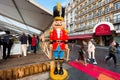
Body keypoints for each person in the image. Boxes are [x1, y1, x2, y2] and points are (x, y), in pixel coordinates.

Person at [50, 2, 68, 75]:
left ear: (63, 22)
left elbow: (66, 38)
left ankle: (60, 68)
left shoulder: (64, 31)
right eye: (56, 21)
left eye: (60, 21)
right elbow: (51, 38)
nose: (58, 23)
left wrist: (66, 44)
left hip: (62, 45)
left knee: (61, 58)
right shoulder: (52, 31)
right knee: (55, 58)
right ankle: (55, 68)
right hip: (55, 44)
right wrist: (51, 44)